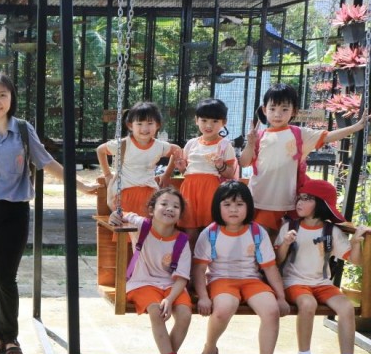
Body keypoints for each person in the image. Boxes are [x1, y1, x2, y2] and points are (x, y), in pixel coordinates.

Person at [0, 71, 99, 354]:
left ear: (11, 98)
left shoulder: (23, 130)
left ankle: (11, 337)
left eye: (2, 95)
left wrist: (82, 186)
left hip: (15, 211)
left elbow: (47, 162)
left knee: (5, 275)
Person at [192, 181, 290, 354]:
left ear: (248, 207)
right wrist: (203, 296)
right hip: (221, 279)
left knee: (271, 310)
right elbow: (199, 269)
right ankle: (210, 349)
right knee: (224, 308)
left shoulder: (257, 232)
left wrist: (281, 297)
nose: (233, 210)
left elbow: (269, 267)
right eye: (227, 204)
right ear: (217, 207)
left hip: (251, 279)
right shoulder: (210, 233)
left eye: (239, 204)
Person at [275, 180, 370, 354]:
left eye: (307, 199)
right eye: (300, 198)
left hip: (322, 283)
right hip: (294, 282)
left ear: (321, 204)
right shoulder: (289, 227)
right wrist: (286, 243)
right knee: (307, 304)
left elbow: (355, 260)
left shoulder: (331, 230)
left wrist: (356, 242)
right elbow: (278, 259)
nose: (300, 202)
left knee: (346, 307)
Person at [238, 83, 367, 237]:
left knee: (273, 238)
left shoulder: (300, 134)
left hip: (287, 201)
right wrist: (250, 143)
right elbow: (243, 162)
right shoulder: (259, 136)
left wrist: (355, 127)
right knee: (259, 238)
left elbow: (328, 136)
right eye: (272, 109)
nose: (278, 114)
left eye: (284, 109)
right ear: (265, 110)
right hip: (257, 197)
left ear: (294, 111)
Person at [109, 188, 193, 354]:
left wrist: (170, 299)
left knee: (185, 314)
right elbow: (119, 213)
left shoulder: (182, 240)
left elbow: (182, 278)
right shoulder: (141, 225)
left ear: (180, 215)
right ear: (151, 209)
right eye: (164, 204)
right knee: (156, 311)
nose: (169, 209)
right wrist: (114, 216)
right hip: (142, 282)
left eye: (175, 206)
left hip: (171, 285)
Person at [161, 98, 236, 246]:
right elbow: (186, 170)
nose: (209, 125)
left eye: (215, 121)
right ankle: (190, 257)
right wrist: (181, 167)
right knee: (190, 227)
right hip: (189, 189)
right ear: (196, 120)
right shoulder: (191, 143)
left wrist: (220, 166)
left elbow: (230, 174)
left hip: (212, 190)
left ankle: (208, 257)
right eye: (204, 120)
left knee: (211, 227)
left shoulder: (225, 145)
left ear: (224, 122)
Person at [96, 101, 182, 214]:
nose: (144, 128)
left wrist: (167, 174)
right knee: (126, 224)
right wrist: (107, 174)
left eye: (150, 123)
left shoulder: (159, 146)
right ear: (130, 125)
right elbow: (100, 150)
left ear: (158, 125)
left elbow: (176, 150)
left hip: (149, 193)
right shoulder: (123, 144)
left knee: (147, 224)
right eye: (139, 124)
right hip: (124, 192)